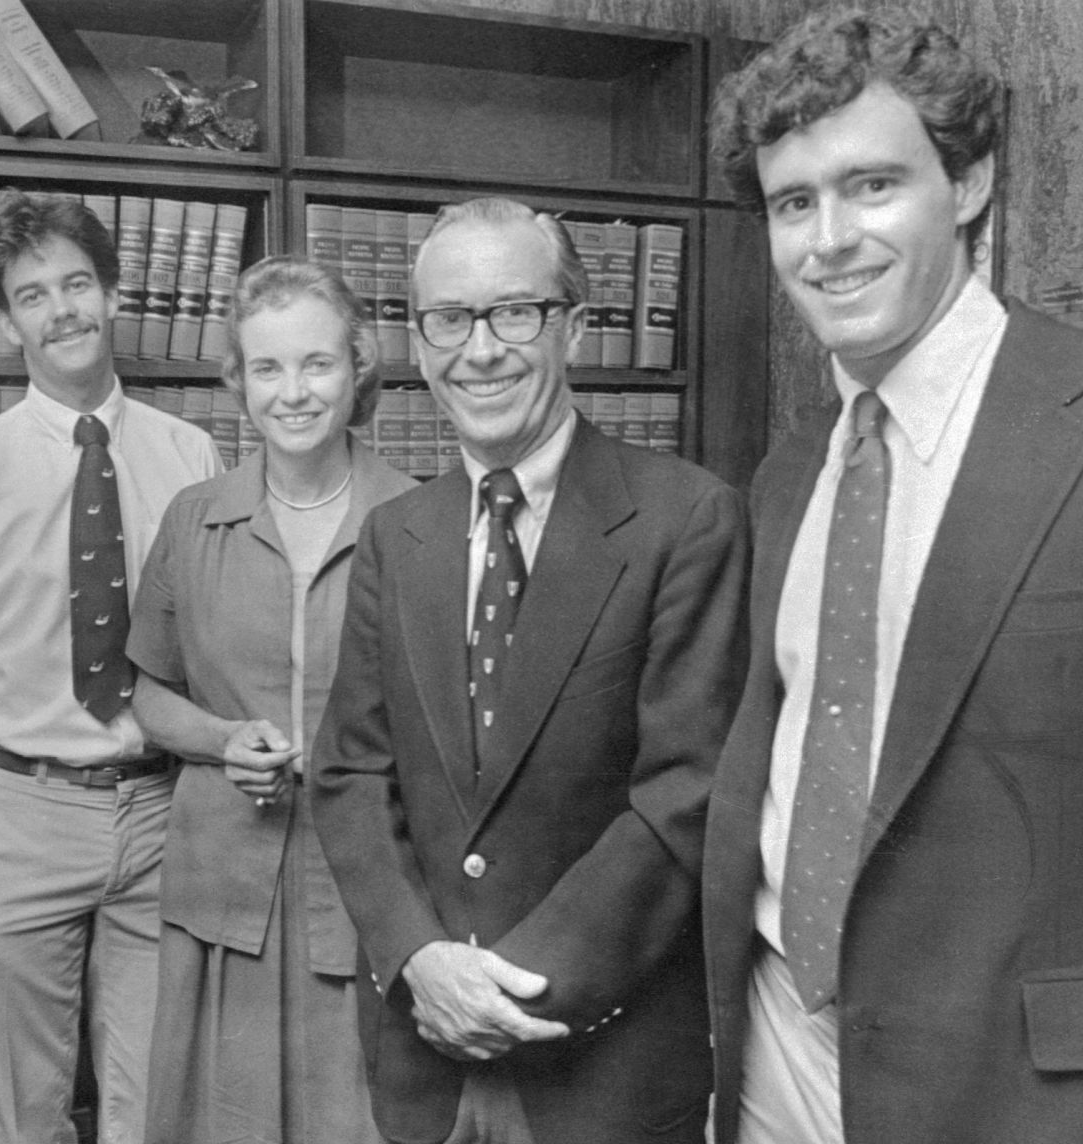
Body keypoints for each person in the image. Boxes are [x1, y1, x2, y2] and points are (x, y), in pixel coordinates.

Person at [701, 9, 1083, 1144]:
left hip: (1011, 1088)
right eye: (792, 203)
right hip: (774, 1045)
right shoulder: (787, 470)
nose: (828, 239)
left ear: (965, 184)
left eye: (872, 186)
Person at [310, 196, 748, 1144]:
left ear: (575, 326)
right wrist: (421, 959)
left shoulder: (687, 520)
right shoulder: (396, 537)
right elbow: (349, 773)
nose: (481, 350)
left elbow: (687, 793)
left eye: (516, 312)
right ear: (419, 346)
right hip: (422, 1059)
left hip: (602, 1062)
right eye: (449, 320)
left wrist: (506, 992)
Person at [0, 190, 219, 1144]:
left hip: (162, 815)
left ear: (114, 295)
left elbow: (205, 641)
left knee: (152, 1108)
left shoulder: (189, 451)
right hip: (22, 818)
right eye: (33, 294)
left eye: (78, 283)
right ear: (7, 322)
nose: (63, 310)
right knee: (27, 1116)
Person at [127, 256, 413, 1144]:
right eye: (268, 367)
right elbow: (147, 691)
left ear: (358, 366)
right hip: (226, 889)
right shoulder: (193, 517)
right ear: (237, 381)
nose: (293, 392)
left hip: (366, 891)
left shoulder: (419, 520)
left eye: (316, 364)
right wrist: (220, 740)